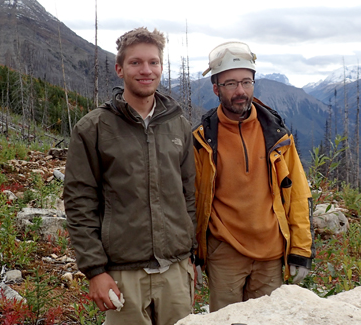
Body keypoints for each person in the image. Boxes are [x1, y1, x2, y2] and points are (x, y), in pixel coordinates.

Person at [63, 27, 196, 325]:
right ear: (120, 69)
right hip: (122, 274)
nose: (146, 70)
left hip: (175, 271)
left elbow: (190, 194)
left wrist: (191, 255)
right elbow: (79, 202)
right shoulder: (93, 128)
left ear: (162, 67)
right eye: (136, 63)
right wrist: (95, 271)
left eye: (153, 62)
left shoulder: (179, 126)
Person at [192, 41, 314, 312]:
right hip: (223, 254)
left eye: (247, 82)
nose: (240, 91)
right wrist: (195, 255)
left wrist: (301, 251)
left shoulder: (277, 135)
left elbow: (298, 195)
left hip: (271, 254)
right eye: (231, 84)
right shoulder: (203, 139)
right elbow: (193, 200)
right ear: (216, 89)